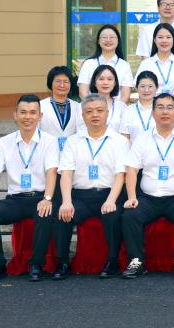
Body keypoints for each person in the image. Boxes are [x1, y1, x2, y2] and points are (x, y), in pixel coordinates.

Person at [0, 95, 59, 282]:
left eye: (32, 112)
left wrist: (47, 198)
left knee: (45, 214)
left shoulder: (50, 141)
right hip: (15, 200)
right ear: (15, 115)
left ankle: (36, 265)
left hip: (39, 197)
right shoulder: (4, 143)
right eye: (23, 112)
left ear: (40, 116)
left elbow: (52, 172)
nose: (27, 117)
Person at [121, 93, 174, 279]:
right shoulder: (142, 138)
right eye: (160, 107)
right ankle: (136, 261)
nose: (165, 112)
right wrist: (132, 197)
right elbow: (131, 170)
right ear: (153, 112)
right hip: (148, 197)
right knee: (130, 215)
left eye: (169, 107)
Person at [55, 94, 128, 279]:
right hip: (81, 196)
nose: (95, 115)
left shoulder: (120, 141)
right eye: (89, 111)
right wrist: (66, 201)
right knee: (63, 215)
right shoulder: (72, 141)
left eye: (99, 110)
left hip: (109, 193)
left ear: (107, 113)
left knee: (112, 215)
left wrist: (111, 200)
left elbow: (120, 175)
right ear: (82, 115)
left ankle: (112, 262)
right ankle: (62, 262)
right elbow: (66, 174)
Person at [78, 24, 133, 102]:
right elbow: (82, 92)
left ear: (118, 41)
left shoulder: (125, 66)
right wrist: (95, 107)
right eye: (104, 37)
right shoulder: (88, 64)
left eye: (112, 37)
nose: (108, 40)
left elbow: (125, 95)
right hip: (92, 108)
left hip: (117, 109)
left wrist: (115, 108)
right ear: (98, 41)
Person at [136, 23, 174, 97]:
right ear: (154, 40)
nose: (164, 41)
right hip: (152, 102)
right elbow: (139, 89)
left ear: (173, 40)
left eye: (168, 37)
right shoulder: (145, 64)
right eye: (160, 37)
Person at [40, 66, 82, 151]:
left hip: (71, 152)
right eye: (58, 81)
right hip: (46, 150)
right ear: (51, 83)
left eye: (66, 82)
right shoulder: (40, 106)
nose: (62, 85)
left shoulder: (78, 106)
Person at [88, 64, 127, 134]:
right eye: (101, 79)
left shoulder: (121, 106)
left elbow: (125, 133)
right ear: (94, 82)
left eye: (110, 79)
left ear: (115, 83)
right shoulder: (84, 105)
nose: (105, 82)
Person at [122, 72, 159, 142]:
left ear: (157, 88)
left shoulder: (162, 109)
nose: (146, 90)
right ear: (136, 88)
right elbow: (125, 137)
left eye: (150, 86)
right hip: (134, 148)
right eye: (142, 86)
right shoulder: (128, 110)